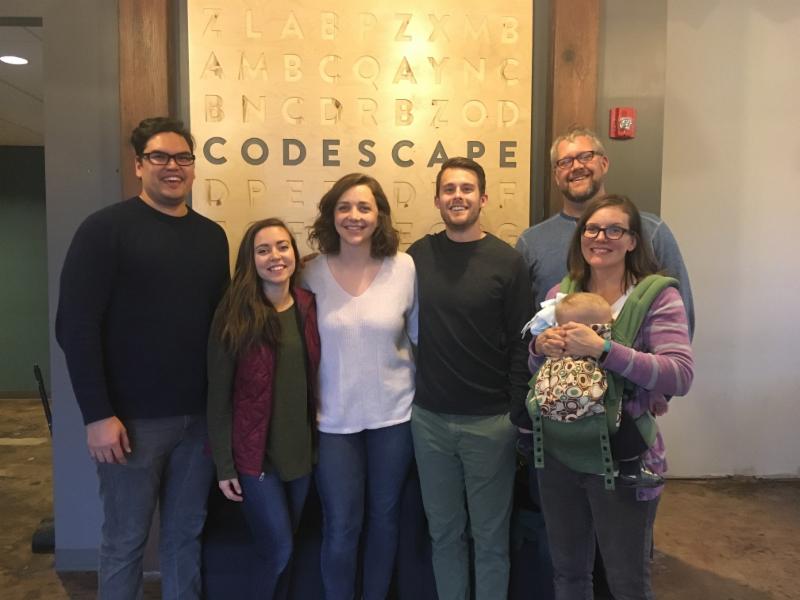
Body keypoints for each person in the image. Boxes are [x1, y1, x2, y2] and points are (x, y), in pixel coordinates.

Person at [55, 117, 230, 599]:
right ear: (138, 165)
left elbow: (221, 327)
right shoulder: (104, 230)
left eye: (183, 158)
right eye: (159, 157)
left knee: (185, 537)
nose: (173, 166)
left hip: (199, 423)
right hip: (129, 423)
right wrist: (97, 415)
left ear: (193, 167)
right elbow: (75, 327)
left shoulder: (212, 237)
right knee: (125, 541)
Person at [528, 194, 694, 599]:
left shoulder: (657, 297)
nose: (600, 237)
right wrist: (540, 348)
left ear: (633, 240)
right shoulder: (561, 293)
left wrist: (604, 349)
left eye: (614, 229)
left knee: (627, 582)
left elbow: (679, 374)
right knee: (568, 575)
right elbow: (542, 373)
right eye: (592, 229)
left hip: (622, 458)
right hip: (558, 452)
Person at [407, 157, 532, 600]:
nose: (457, 196)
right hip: (429, 421)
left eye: (466, 188)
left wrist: (515, 412)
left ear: (483, 198)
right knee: (444, 534)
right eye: (449, 189)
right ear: (437, 199)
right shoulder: (416, 257)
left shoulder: (508, 262)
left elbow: (522, 342)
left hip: (490, 423)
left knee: (491, 538)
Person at [303, 173, 418, 599]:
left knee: (385, 520)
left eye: (364, 207)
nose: (354, 216)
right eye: (344, 207)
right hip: (333, 421)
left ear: (379, 215)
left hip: (394, 418)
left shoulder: (404, 268)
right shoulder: (309, 272)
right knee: (341, 525)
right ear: (331, 215)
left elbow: (418, 338)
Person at [206, 218, 321, 599]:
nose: (275, 256)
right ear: (250, 259)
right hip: (256, 460)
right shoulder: (234, 314)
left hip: (301, 456)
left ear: (294, 254)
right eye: (263, 250)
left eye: (283, 247)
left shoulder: (307, 306)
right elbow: (218, 396)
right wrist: (224, 466)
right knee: (278, 549)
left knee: (288, 549)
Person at [514, 126, 694, 338]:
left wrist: (611, 352)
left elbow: (680, 321)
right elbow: (525, 327)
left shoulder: (651, 231)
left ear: (604, 163)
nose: (576, 166)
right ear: (556, 175)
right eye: (565, 162)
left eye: (585, 156)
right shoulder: (532, 242)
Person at [525, 291, 661, 488]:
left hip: (552, 408)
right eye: (608, 322)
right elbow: (625, 377)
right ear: (593, 327)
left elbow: (536, 372)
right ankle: (631, 468)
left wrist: (539, 349)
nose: (611, 324)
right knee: (626, 423)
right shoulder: (600, 342)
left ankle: (528, 436)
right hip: (597, 406)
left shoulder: (556, 341)